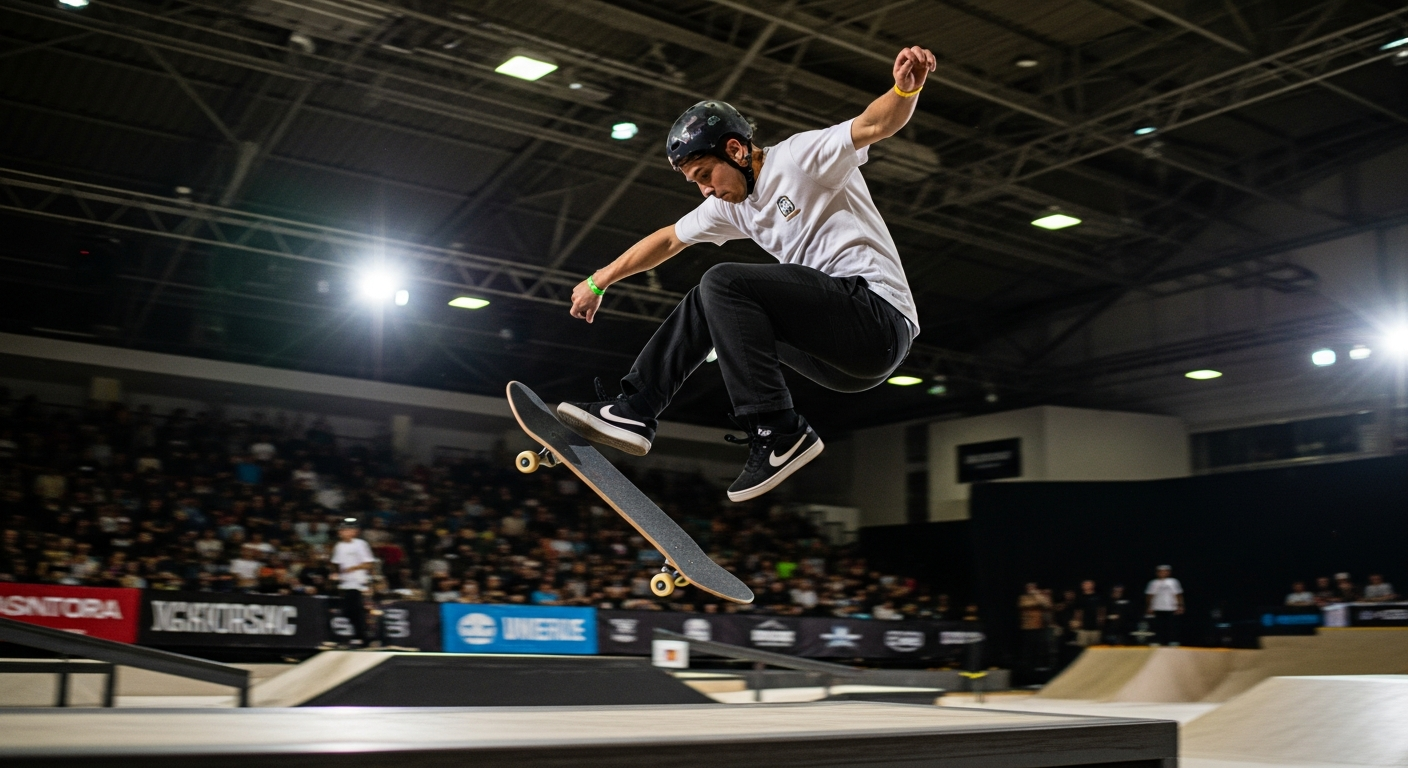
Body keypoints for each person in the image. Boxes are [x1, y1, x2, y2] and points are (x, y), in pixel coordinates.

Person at [557, 46, 936, 502]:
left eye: (706, 175)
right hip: (840, 363)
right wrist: (600, 280)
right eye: (696, 183)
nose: (706, 190)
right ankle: (635, 408)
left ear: (736, 150)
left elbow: (875, 124)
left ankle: (778, 431)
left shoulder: (799, 158)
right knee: (710, 300)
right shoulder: (730, 206)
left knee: (724, 282)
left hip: (878, 319)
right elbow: (669, 240)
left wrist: (904, 88)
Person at [330, 520, 376, 646]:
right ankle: (360, 636)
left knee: (356, 610)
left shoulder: (360, 544)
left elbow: (369, 563)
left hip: (358, 582)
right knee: (348, 611)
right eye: (343, 531)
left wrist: (353, 568)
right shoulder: (339, 546)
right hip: (345, 583)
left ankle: (362, 637)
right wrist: (336, 575)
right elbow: (337, 564)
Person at [1017, 583, 1052, 678]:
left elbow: (1047, 605)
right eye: (1029, 588)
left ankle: (1039, 671)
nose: (1031, 589)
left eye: (1033, 588)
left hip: (1038, 627)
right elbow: (1024, 605)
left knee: (1039, 649)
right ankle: (1027, 672)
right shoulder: (1024, 598)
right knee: (1028, 651)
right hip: (1027, 628)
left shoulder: (1039, 597)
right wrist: (1038, 601)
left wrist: (1037, 595)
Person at [1144, 565, 1184, 646]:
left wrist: (1180, 606)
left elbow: (1178, 594)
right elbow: (1149, 595)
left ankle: (1172, 641)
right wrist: (1149, 607)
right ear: (1157, 573)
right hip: (1157, 607)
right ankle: (1157, 641)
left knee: (1171, 626)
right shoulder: (1153, 583)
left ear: (1168, 572)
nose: (1163, 573)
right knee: (1158, 626)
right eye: (1160, 571)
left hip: (1171, 607)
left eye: (1165, 571)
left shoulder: (1173, 581)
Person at [1072, 580, 1105, 648]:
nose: (1087, 585)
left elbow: (1102, 609)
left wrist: (1101, 620)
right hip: (1083, 628)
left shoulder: (1098, 597)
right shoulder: (1079, 597)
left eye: (1088, 583)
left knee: (1095, 648)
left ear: (1093, 585)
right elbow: (1077, 611)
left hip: (1095, 628)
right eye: (1085, 584)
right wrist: (1077, 622)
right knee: (1082, 647)